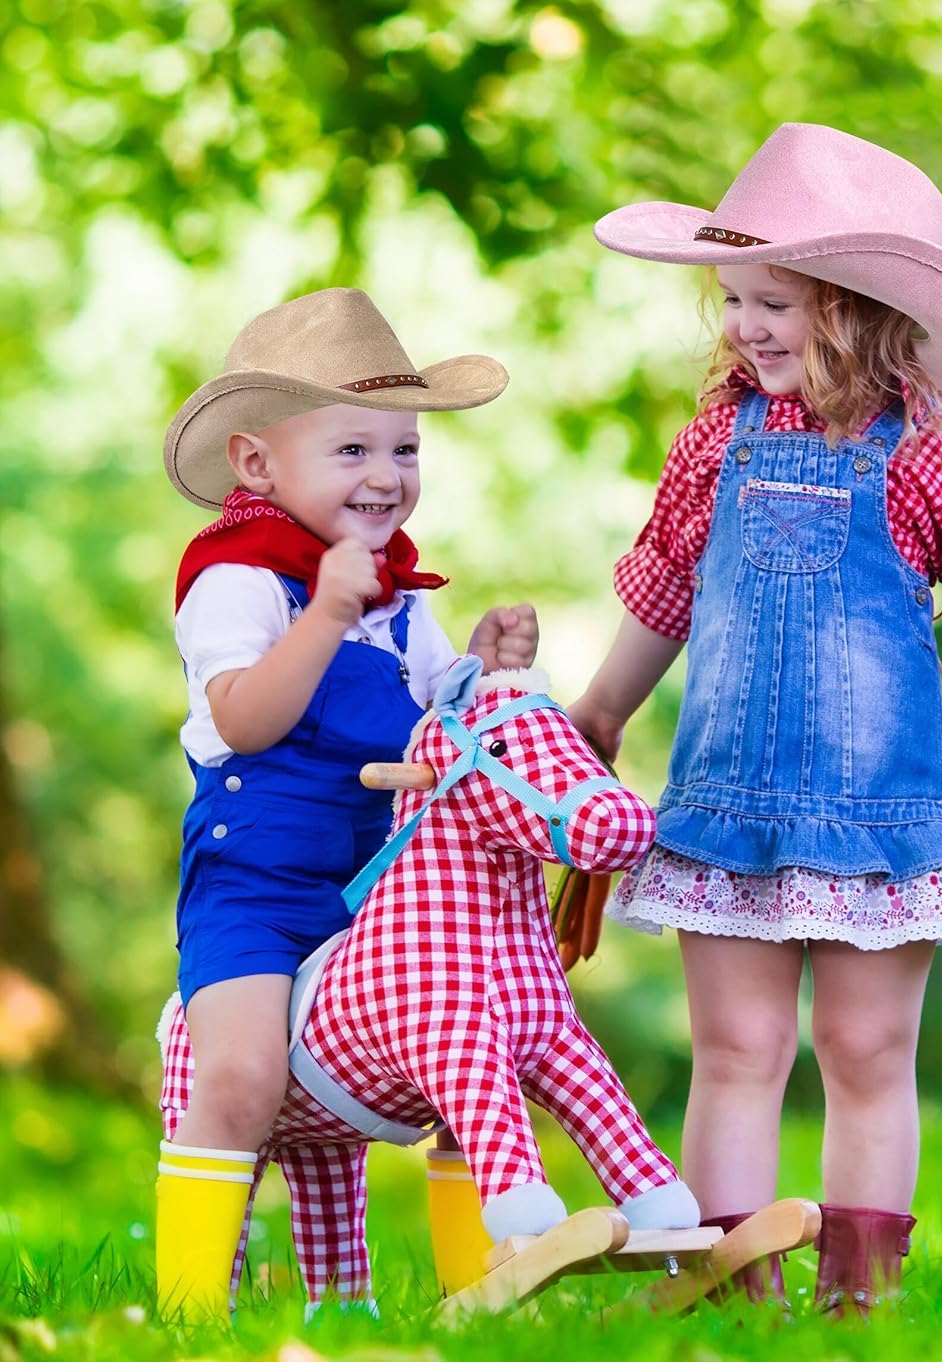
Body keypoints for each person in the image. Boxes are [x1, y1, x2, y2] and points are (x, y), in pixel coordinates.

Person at [569, 124, 942, 1315]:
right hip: (723, 808)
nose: (745, 326)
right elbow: (662, 592)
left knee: (867, 1052)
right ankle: (735, 1294)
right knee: (735, 1052)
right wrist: (599, 710)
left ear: (861, 309)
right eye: (733, 300)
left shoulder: (937, 457)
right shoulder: (709, 447)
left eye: (776, 301)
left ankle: (860, 1300)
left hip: (878, 820)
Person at [156, 287, 538, 1318]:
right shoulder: (234, 582)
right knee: (238, 1076)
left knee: (470, 1050)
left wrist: (484, 674)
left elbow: (441, 723)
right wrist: (326, 610)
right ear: (256, 464)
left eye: (405, 451)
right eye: (354, 451)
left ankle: (491, 1279)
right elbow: (244, 719)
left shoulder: (400, 602)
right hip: (257, 887)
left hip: (378, 893)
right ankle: (191, 1311)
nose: (388, 477)